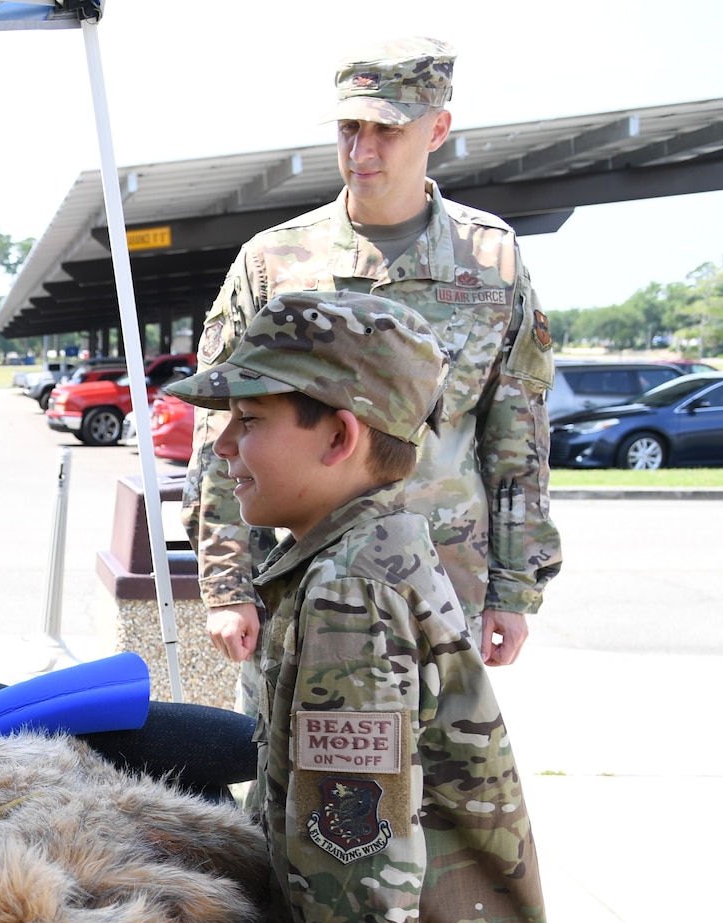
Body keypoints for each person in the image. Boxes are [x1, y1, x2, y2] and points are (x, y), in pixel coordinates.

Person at [162, 291, 550, 923]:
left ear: (339, 436)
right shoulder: (357, 554)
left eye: (250, 420)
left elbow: (358, 843)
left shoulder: (350, 594)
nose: (223, 447)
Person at [184, 37, 560, 676]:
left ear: (437, 128)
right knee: (287, 767)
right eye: (349, 127)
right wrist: (228, 587)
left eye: (387, 129)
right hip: (307, 585)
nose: (362, 151)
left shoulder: (490, 261)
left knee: (440, 771)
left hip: (446, 589)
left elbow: (516, 432)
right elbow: (223, 433)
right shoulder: (275, 263)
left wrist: (514, 589)